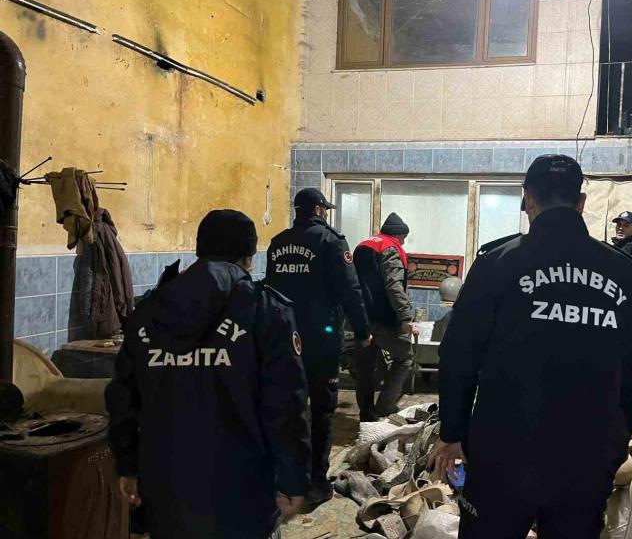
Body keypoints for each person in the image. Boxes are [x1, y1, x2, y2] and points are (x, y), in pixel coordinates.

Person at [428, 155, 632, 539]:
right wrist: (614, 446)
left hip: (503, 453)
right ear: (581, 202)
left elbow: (458, 356)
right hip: (586, 456)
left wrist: (451, 433)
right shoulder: (625, 273)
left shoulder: (497, 264)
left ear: (528, 200)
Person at [106, 209, 310, 539]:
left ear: (199, 250)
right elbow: (285, 406)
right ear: (248, 258)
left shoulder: (149, 314)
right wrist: (293, 480)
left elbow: (122, 399)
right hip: (243, 493)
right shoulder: (265, 312)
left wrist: (127, 466)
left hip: (166, 490)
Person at [265, 187, 372, 505]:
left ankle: (286, 479)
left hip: (283, 338)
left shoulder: (278, 243)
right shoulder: (331, 241)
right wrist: (363, 332)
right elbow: (350, 290)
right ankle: (316, 483)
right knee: (322, 411)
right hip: (320, 341)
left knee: (287, 408)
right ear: (318, 210)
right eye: (325, 209)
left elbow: (270, 291)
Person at [353, 212, 418, 421]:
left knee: (366, 368)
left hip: (361, 319)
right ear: (397, 234)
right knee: (405, 357)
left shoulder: (362, 246)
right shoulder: (390, 248)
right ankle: (385, 405)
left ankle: (366, 414)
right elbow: (394, 286)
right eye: (404, 238)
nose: (403, 242)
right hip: (383, 321)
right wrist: (406, 317)